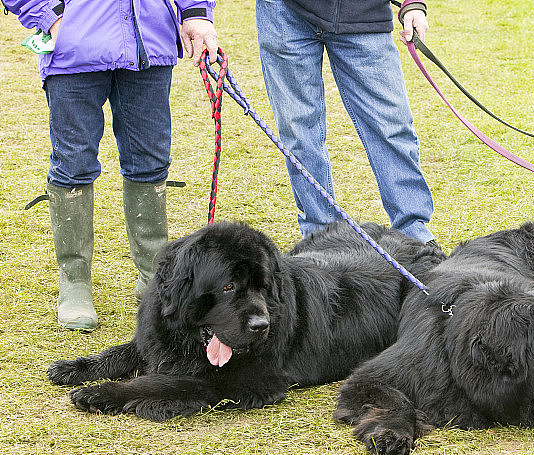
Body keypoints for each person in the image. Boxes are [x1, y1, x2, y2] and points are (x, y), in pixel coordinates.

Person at [4, 0, 219, 331]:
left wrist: (195, 13)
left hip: (149, 42)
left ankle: (154, 273)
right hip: (73, 49)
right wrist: (50, 15)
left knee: (151, 163)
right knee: (73, 164)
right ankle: (74, 280)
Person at [255, 0, 437, 245]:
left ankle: (413, 236)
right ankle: (320, 240)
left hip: (364, 11)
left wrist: (412, 3)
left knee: (392, 126)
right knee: (297, 130)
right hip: (283, 13)